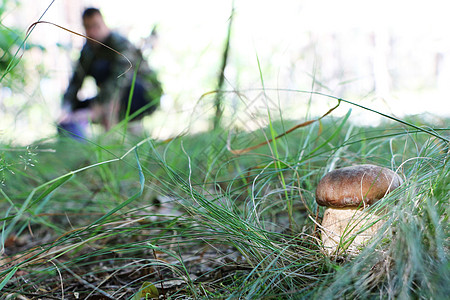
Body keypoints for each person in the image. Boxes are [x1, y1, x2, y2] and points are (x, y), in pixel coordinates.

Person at [58, 7, 162, 140]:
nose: (92, 32)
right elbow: (76, 81)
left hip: (144, 94)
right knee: (76, 108)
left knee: (105, 70)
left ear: (104, 24)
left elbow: (120, 78)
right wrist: (66, 108)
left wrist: (99, 107)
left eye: (96, 26)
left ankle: (125, 128)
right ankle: (84, 139)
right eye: (87, 27)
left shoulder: (120, 44)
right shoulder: (88, 51)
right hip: (110, 97)